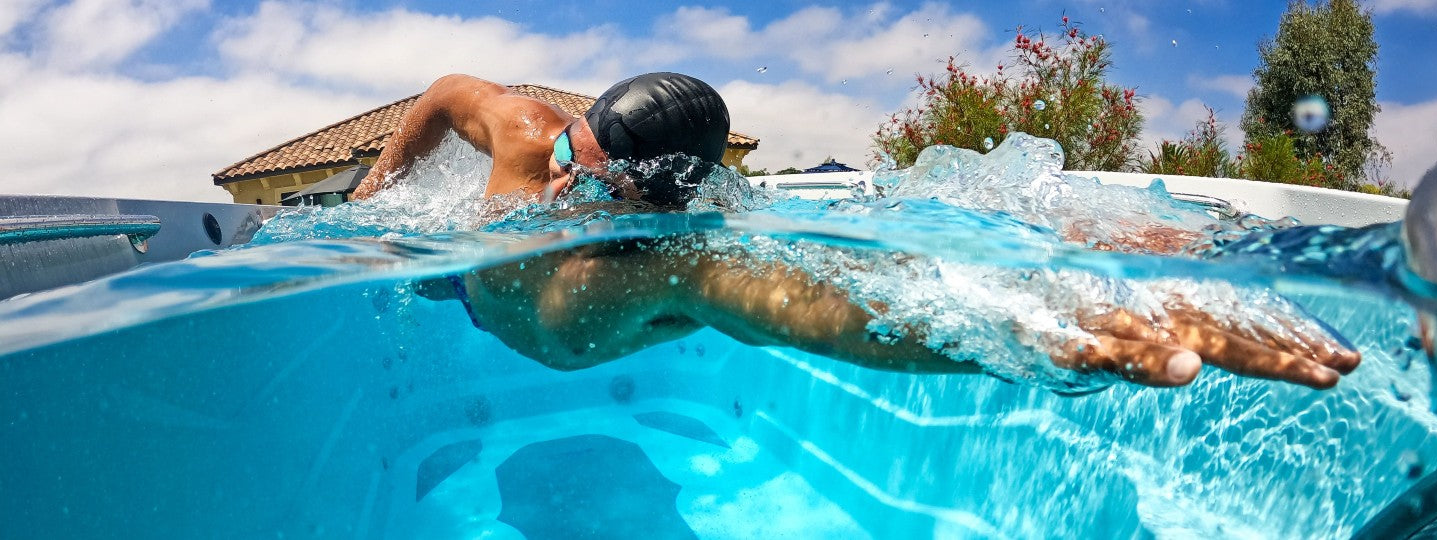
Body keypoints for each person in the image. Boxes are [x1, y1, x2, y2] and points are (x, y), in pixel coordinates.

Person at [356, 71, 1361, 390]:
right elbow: (444, 93)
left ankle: (1165, 262)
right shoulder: (527, 133)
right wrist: (380, 185)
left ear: (658, 198)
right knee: (409, 274)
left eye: (599, 183)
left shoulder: (658, 262)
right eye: (571, 157)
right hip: (461, 281)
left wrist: (1021, 334)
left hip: (535, 308)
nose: (565, 186)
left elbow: (799, 297)